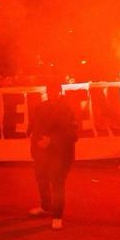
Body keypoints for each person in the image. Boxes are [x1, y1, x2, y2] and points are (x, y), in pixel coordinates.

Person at [28, 82, 78, 230]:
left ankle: (57, 216)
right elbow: (34, 125)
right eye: (49, 91)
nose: (52, 93)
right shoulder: (40, 107)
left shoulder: (68, 108)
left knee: (57, 185)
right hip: (41, 153)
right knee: (42, 180)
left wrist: (52, 141)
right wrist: (34, 139)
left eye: (55, 91)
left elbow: (72, 134)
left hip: (61, 154)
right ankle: (45, 207)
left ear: (60, 92)